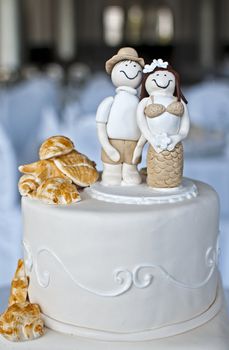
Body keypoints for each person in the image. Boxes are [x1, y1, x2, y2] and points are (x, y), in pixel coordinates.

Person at [96, 47, 144, 185]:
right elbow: (100, 126)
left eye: (134, 66)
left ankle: (130, 172)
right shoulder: (109, 102)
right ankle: (112, 173)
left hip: (132, 146)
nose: (130, 69)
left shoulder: (140, 104)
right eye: (125, 65)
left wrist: (140, 146)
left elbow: (143, 124)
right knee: (112, 177)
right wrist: (107, 146)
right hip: (112, 143)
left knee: (132, 176)